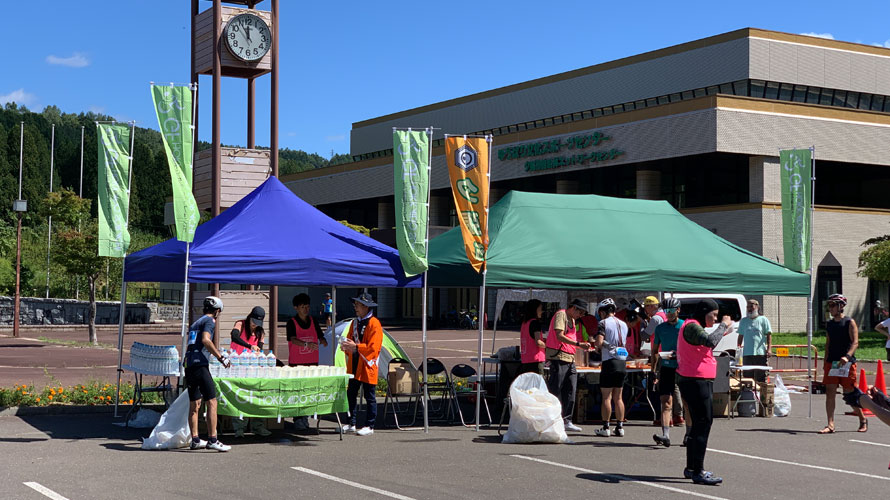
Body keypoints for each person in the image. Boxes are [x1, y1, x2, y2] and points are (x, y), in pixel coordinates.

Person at [676, 298, 734, 485]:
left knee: (698, 424)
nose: (716, 319)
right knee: (703, 423)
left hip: (695, 379)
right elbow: (710, 341)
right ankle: (698, 471)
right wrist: (724, 326)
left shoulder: (692, 326)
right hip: (696, 380)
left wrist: (722, 330)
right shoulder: (692, 326)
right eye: (713, 315)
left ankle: (692, 467)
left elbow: (706, 344)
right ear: (703, 312)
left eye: (718, 316)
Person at [184, 296, 232, 452]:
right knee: (212, 401)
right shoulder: (210, 321)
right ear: (217, 311)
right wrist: (220, 357)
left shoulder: (195, 323)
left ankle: (195, 439)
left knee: (195, 403)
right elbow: (205, 340)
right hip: (200, 364)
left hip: (189, 364)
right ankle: (213, 439)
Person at [819, 293, 867, 434]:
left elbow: (855, 342)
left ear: (841, 306)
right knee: (830, 393)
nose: (830, 308)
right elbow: (828, 343)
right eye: (829, 305)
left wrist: (847, 356)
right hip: (832, 363)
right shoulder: (830, 324)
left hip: (846, 363)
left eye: (833, 305)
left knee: (849, 393)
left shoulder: (849, 322)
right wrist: (825, 360)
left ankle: (862, 419)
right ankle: (830, 424)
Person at [340, 292, 383, 436]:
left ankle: (369, 425)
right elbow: (351, 340)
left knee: (369, 396)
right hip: (354, 364)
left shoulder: (374, 323)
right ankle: (351, 422)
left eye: (358, 305)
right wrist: (346, 346)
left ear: (365, 306)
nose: (355, 307)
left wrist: (356, 347)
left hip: (367, 365)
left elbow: (373, 347)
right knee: (351, 394)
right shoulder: (355, 322)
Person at [545, 298, 591, 433]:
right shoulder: (562, 314)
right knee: (556, 388)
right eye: (580, 313)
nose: (580, 316)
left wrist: (580, 346)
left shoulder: (572, 320)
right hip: (559, 356)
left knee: (571, 387)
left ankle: (567, 420)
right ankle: (552, 418)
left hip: (570, 357)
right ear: (574, 308)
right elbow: (559, 335)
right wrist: (578, 345)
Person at [288, 293, 329, 430]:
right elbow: (292, 339)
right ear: (296, 308)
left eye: (307, 306)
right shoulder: (291, 322)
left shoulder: (313, 320)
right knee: (298, 392)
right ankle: (298, 419)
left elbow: (320, 335)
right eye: (302, 307)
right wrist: (306, 345)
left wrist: (323, 341)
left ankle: (306, 417)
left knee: (309, 392)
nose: (306, 309)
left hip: (312, 363)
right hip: (297, 364)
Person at [228, 306, 271, 438]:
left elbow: (260, 349)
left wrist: (259, 353)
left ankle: (258, 426)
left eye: (257, 324)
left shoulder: (260, 332)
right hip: (237, 366)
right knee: (240, 397)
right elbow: (234, 337)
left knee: (257, 396)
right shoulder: (240, 324)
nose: (254, 326)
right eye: (253, 322)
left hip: (252, 368)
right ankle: (239, 428)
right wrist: (249, 346)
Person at [651, 297, 684, 447]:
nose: (669, 314)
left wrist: (679, 354)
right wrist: (653, 370)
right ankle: (665, 435)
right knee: (666, 401)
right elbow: (655, 351)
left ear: (678, 310)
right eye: (666, 311)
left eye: (671, 311)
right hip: (666, 367)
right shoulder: (660, 328)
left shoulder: (684, 326)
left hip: (683, 367)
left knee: (687, 402)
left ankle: (689, 434)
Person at [594, 298, 629, 437]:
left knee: (606, 397)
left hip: (609, 361)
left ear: (603, 312)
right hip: (622, 362)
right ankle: (620, 427)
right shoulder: (624, 324)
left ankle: (606, 427)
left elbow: (599, 342)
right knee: (618, 397)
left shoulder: (603, 323)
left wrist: (598, 344)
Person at [736, 299, 772, 382]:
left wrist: (769, 349)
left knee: (761, 376)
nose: (749, 308)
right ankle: (749, 393)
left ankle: (760, 393)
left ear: (757, 307)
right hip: (747, 353)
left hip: (760, 353)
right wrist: (738, 349)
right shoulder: (744, 321)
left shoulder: (763, 319)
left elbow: (769, 334)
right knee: (748, 376)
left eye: (751, 306)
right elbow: (740, 335)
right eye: (748, 306)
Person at [518, 299, 546, 376]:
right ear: (535, 309)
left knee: (528, 385)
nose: (541, 311)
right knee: (538, 386)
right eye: (540, 308)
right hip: (536, 359)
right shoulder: (535, 322)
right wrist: (549, 346)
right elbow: (538, 342)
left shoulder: (525, 323)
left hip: (526, 359)